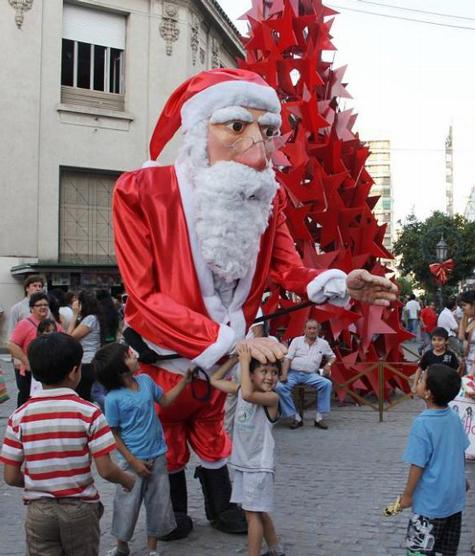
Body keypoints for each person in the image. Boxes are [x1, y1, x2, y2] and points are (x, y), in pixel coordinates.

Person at [112, 68, 398, 537]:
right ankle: (175, 512)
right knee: (169, 439)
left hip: (221, 371)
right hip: (165, 361)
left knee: (213, 435)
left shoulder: (269, 199)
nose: (257, 144)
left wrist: (342, 282)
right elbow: (145, 297)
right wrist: (233, 344)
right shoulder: (141, 191)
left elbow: (289, 269)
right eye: (237, 126)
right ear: (200, 127)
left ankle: (222, 507)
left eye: (267, 131)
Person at [0, 332, 135, 556]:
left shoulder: (19, 416)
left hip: (39, 511)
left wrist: (39, 483)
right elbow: (106, 469)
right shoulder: (89, 413)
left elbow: (11, 476)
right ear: (74, 372)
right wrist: (127, 480)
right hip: (79, 509)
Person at [93, 343, 192, 556]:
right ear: (120, 370)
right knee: (126, 504)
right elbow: (114, 433)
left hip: (158, 454)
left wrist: (184, 381)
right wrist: (133, 461)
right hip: (130, 461)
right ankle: (121, 546)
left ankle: (152, 548)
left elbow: (164, 401)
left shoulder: (146, 381)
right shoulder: (113, 399)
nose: (134, 355)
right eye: (129, 355)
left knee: (158, 503)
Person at [211, 343, 283, 556]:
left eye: (274, 372)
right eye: (264, 371)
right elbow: (215, 380)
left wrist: (245, 361)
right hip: (244, 465)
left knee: (252, 515)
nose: (270, 377)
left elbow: (248, 396)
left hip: (259, 467)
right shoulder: (243, 389)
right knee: (258, 512)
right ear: (250, 376)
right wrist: (234, 359)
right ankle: (276, 549)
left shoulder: (272, 398)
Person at [398, 364, 467, 556]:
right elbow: (459, 451)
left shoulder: (422, 423)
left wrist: (407, 495)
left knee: (418, 551)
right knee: (445, 551)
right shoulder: (454, 417)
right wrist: (463, 480)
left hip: (430, 504)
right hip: (453, 501)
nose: (417, 381)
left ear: (428, 393)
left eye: (421, 379)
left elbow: (417, 465)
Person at [276, 319, 336, 429]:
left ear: (318, 330)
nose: (312, 331)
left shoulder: (323, 343)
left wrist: (328, 364)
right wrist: (284, 374)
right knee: (280, 387)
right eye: (309, 328)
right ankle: (295, 417)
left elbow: (332, 356)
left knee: (326, 384)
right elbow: (288, 359)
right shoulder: (296, 341)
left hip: (311, 375)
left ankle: (319, 418)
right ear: (304, 330)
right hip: (294, 373)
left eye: (314, 328)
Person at [7, 292, 56, 406]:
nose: (43, 307)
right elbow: (11, 345)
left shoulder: (51, 323)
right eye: (39, 305)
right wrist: (26, 361)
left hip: (47, 370)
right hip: (29, 372)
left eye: (45, 304)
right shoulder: (24, 324)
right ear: (31, 308)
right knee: (26, 400)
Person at [68, 290, 104, 402]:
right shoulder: (94, 318)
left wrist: (74, 315)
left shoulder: (90, 319)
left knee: (83, 396)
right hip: (90, 361)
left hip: (87, 362)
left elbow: (69, 337)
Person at [458, 290, 475, 375]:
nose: (462, 308)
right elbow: (461, 337)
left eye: (464, 305)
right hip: (468, 365)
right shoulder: (470, 320)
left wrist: (471, 373)